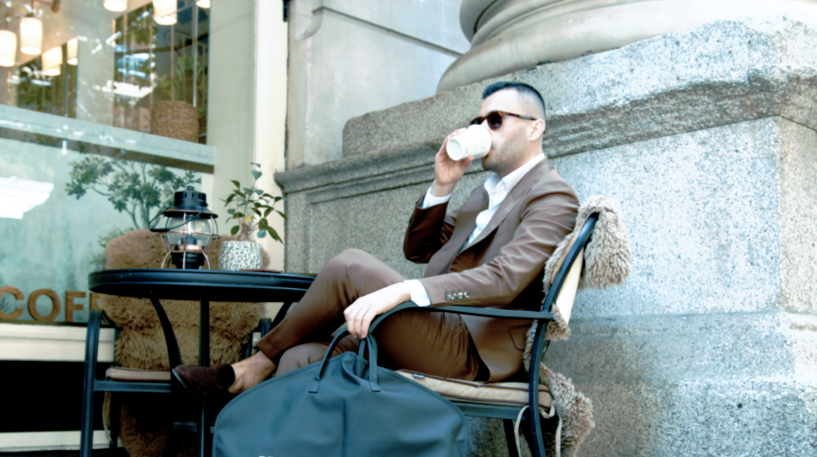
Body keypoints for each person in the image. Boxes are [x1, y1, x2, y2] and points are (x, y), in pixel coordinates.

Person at [174, 81, 580, 404]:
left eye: (494, 120)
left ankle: (252, 366)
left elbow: (505, 278)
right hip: (435, 330)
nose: (481, 130)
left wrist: (404, 290)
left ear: (534, 127)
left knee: (351, 265)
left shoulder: (552, 195)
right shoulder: (485, 193)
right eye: (477, 121)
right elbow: (420, 250)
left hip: (474, 352)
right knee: (301, 359)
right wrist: (442, 185)